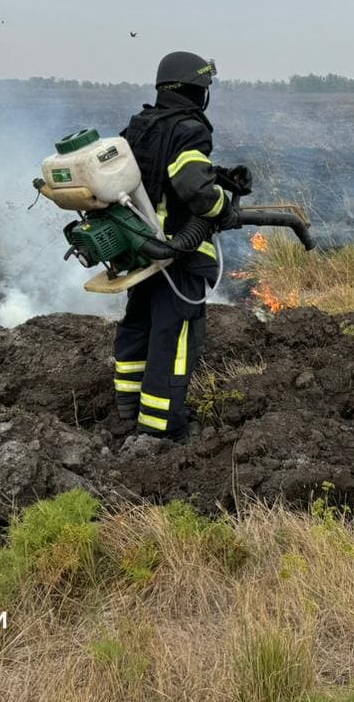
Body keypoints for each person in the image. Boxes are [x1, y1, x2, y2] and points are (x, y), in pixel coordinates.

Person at [111, 51, 251, 440]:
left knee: (139, 324)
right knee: (173, 339)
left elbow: (160, 173)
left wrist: (219, 175)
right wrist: (222, 205)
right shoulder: (189, 128)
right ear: (198, 90)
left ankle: (127, 407)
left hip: (143, 250)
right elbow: (193, 187)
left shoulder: (140, 125)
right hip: (179, 256)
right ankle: (162, 428)